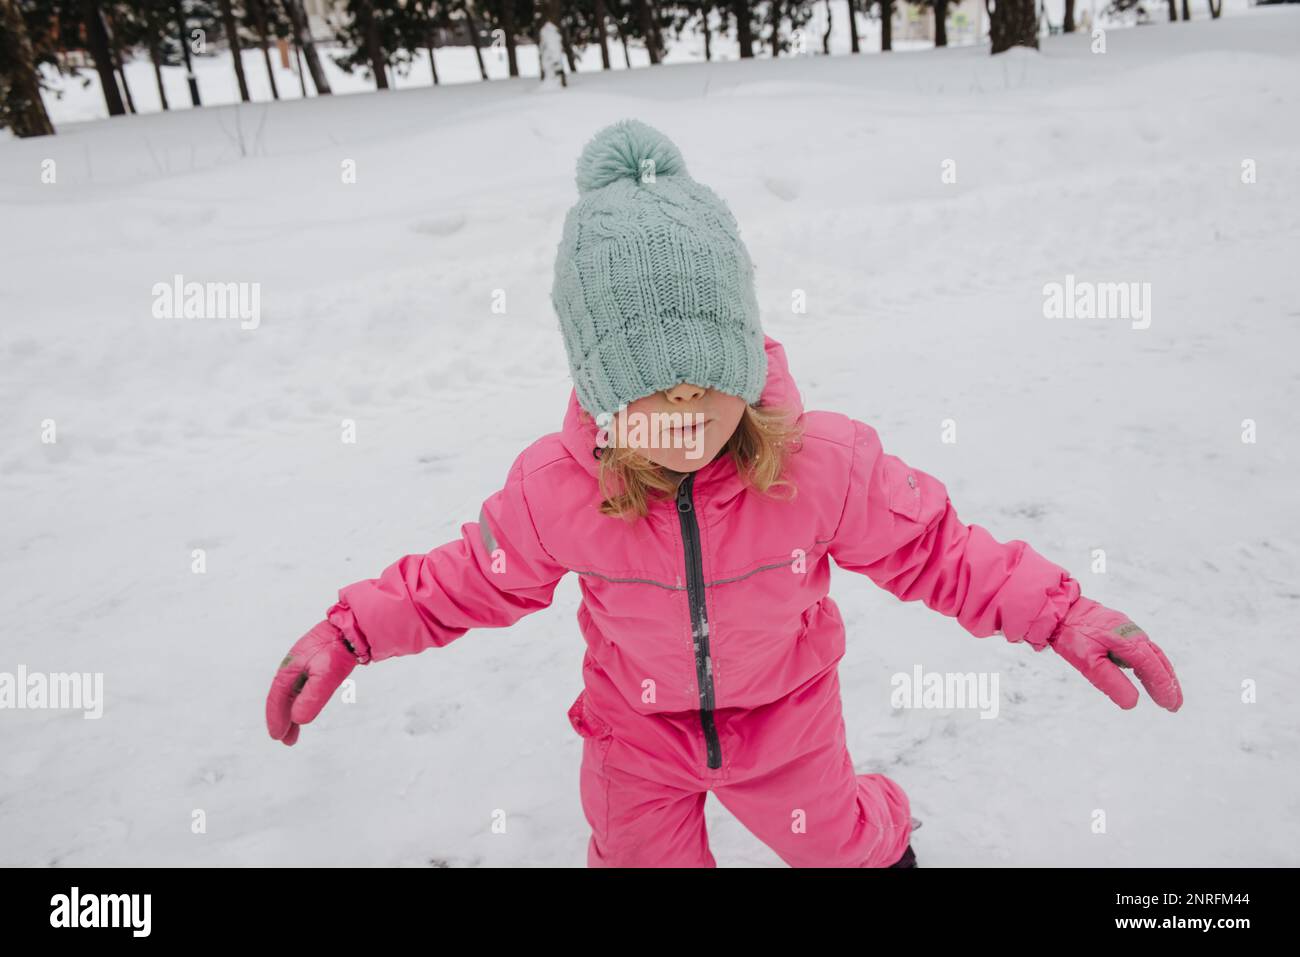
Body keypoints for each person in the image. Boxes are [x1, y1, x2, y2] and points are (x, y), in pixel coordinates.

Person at [265, 119, 1183, 868]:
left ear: (742, 362)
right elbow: (465, 577)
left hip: (787, 722)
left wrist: (1064, 613)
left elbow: (938, 551)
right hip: (635, 736)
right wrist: (350, 630)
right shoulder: (560, 492)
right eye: (649, 387)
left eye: (705, 378)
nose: (684, 412)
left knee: (840, 843)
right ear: (600, 390)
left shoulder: (822, 464)